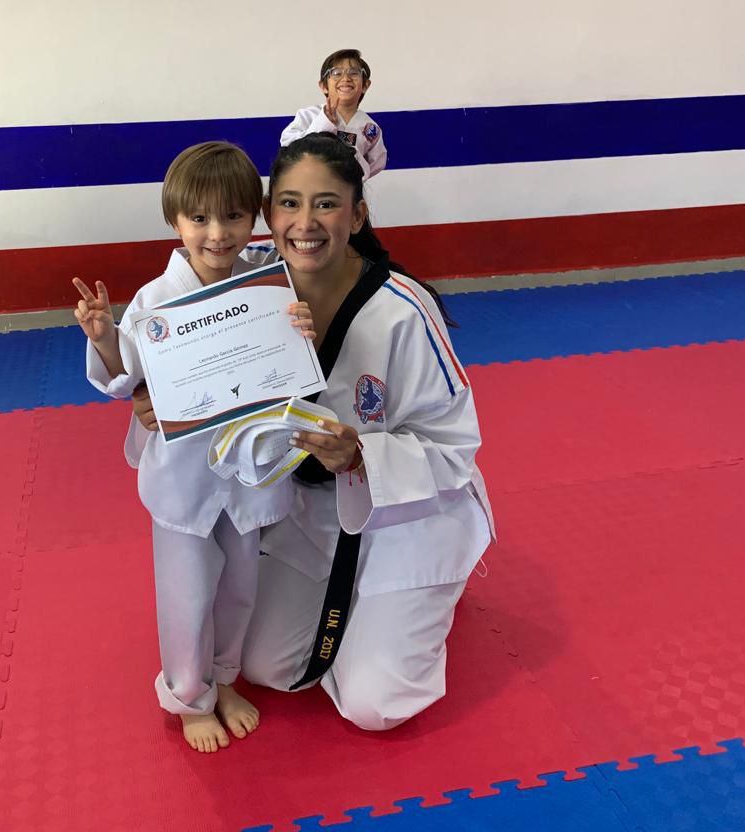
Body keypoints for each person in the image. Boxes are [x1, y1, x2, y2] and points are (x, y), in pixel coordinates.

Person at [239, 133, 494, 731]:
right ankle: (365, 606)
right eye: (290, 203)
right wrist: (151, 399)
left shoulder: (403, 309)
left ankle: (430, 592)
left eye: (327, 204)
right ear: (269, 214)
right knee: (267, 666)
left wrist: (362, 455)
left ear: (357, 215)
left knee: (373, 705)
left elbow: (456, 448)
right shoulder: (249, 295)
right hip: (309, 512)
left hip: (411, 513)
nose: (306, 222)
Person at [73, 141, 314, 753]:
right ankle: (188, 697)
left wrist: (298, 333)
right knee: (187, 594)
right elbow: (125, 377)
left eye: (233, 216)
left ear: (253, 218)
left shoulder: (265, 287)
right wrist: (105, 338)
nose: (218, 233)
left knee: (239, 587)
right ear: (175, 222)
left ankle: (226, 679)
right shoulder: (155, 300)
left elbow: (285, 368)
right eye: (200, 218)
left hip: (248, 471)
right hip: (183, 478)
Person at [280, 48, 387, 179]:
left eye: (354, 72)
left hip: (349, 192)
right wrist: (323, 124)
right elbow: (288, 144)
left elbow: (377, 162)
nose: (346, 78)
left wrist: (357, 173)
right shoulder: (309, 115)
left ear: (365, 85)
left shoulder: (369, 127)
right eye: (337, 73)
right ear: (324, 86)